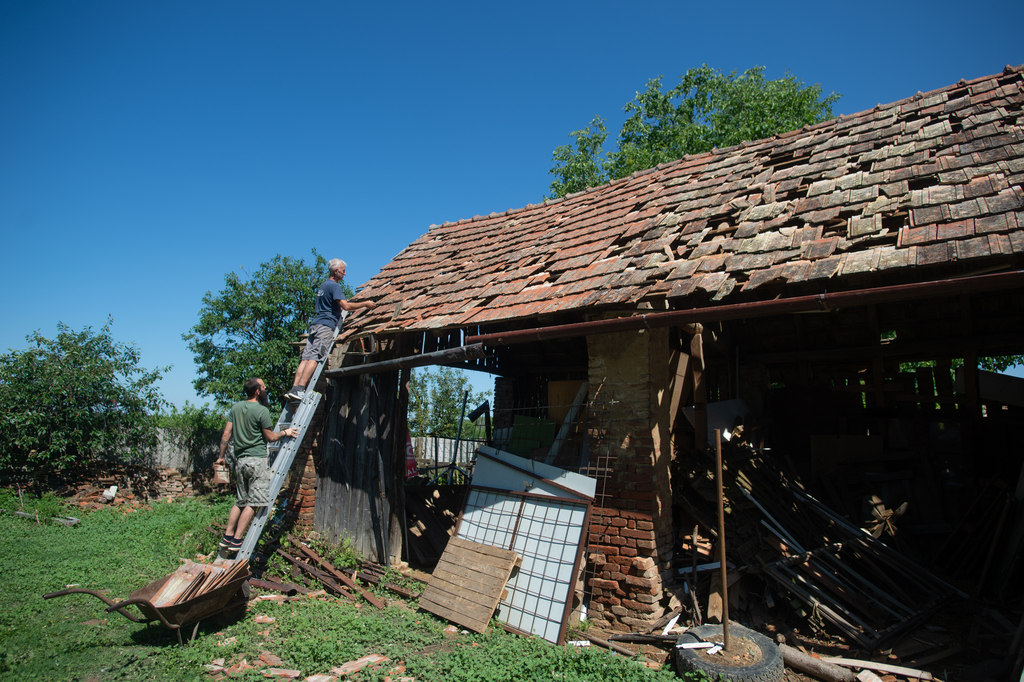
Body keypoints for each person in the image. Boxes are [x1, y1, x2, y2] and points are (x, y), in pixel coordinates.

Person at [214, 377, 297, 553]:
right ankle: (237, 541)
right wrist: (286, 432)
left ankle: (227, 536)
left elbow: (226, 435)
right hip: (256, 461)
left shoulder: (235, 408)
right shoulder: (261, 411)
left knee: (240, 501)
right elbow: (271, 437)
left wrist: (221, 457)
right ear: (258, 391)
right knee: (254, 502)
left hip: (240, 461)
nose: (266, 388)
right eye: (263, 386)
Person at [284, 258, 376, 401]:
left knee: (306, 357)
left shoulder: (323, 286)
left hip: (315, 325)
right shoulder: (334, 287)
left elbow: (332, 305)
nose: (345, 273)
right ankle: (301, 388)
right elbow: (346, 306)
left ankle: (295, 387)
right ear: (336, 271)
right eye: (343, 270)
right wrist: (365, 304)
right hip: (325, 326)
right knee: (316, 357)